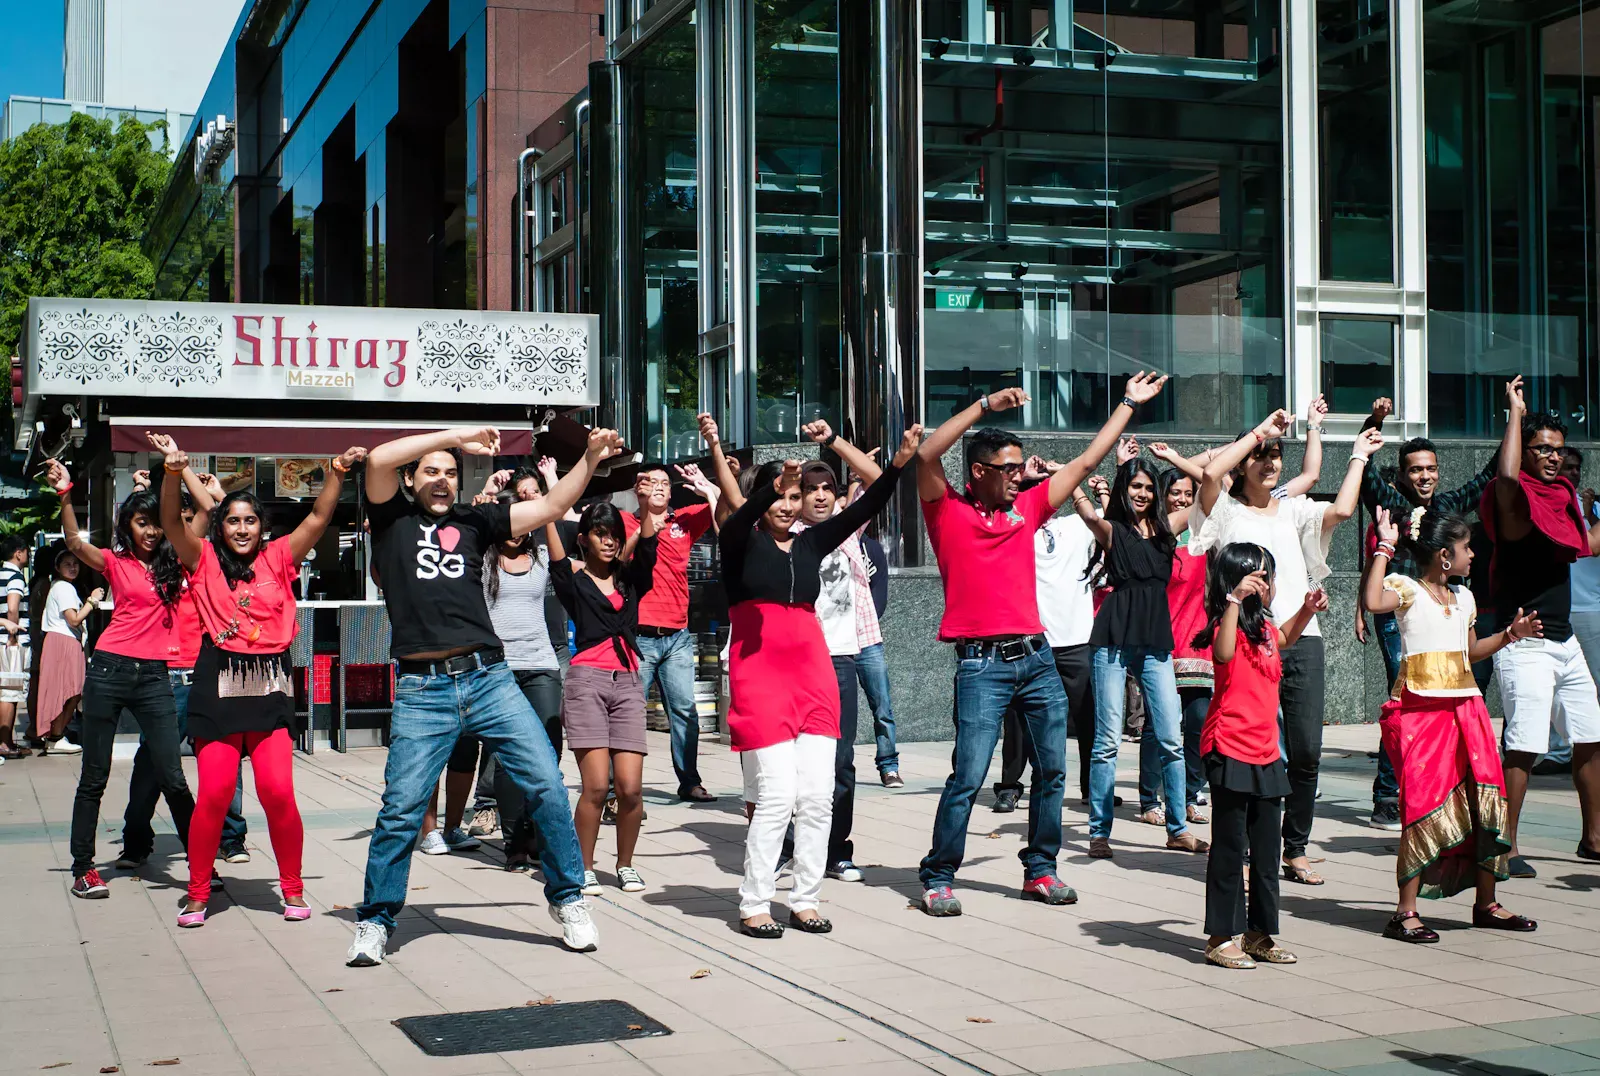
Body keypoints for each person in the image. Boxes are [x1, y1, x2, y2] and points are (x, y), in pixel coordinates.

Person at [348, 424, 621, 966]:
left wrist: (588, 459)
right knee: (401, 809)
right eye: (431, 472)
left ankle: (567, 898)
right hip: (422, 687)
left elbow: (548, 508)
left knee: (546, 782)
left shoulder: (477, 521)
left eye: (451, 472)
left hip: (489, 678)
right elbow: (378, 459)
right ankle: (375, 920)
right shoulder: (392, 518)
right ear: (410, 479)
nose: (443, 481)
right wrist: (457, 435)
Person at [916, 374, 1168, 916]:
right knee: (969, 774)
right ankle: (938, 876)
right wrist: (985, 404)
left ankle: (1041, 870)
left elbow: (1083, 463)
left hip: (1037, 658)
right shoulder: (947, 510)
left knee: (1052, 771)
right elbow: (928, 452)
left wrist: (1127, 404)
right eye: (1007, 468)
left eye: (1019, 467)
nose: (1018, 476)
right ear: (979, 471)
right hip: (981, 665)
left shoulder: (1025, 510)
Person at [703, 412, 918, 938]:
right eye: (782, 495)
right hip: (761, 681)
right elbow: (736, 519)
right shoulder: (740, 544)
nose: (788, 505)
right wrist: (770, 486)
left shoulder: (811, 543)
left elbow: (867, 504)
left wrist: (898, 465)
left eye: (795, 497)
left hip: (814, 676)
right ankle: (755, 902)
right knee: (776, 796)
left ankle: (805, 898)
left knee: (819, 796)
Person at [153, 433, 362, 927]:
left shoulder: (279, 559)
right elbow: (168, 522)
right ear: (219, 526)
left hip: (270, 685)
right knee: (215, 795)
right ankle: (199, 893)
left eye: (250, 521)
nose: (241, 528)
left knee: (278, 793)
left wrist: (335, 470)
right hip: (217, 686)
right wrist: (171, 472)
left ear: (262, 528)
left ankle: (292, 888)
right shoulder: (200, 559)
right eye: (232, 521)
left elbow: (318, 518)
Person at [1192, 411, 1383, 886]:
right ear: (1242, 462)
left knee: (1307, 751)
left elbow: (1339, 510)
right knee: (1245, 751)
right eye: (1260, 455)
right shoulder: (1222, 511)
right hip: (1246, 641)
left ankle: (1294, 845)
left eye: (1276, 454)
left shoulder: (1293, 509)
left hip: (1302, 637)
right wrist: (1258, 433)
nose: (1270, 462)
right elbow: (1212, 473)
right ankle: (1242, 839)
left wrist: (1358, 456)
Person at [1363, 506, 1539, 942]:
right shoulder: (1406, 589)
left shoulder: (1464, 597)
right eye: (1466, 548)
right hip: (1422, 713)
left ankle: (1487, 904)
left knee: (1484, 801)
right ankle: (1405, 912)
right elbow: (1370, 602)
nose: (1473, 555)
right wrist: (1384, 547)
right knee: (1421, 804)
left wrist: (1510, 635)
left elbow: (1470, 652)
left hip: (1468, 710)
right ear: (1445, 556)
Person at [47, 463, 196, 900]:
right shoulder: (116, 562)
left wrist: (181, 478)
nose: (150, 531)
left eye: (155, 523)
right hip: (109, 671)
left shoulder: (179, 563)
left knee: (173, 775)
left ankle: (200, 865)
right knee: (94, 775)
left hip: (154, 676)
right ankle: (84, 869)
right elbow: (75, 541)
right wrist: (65, 494)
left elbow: (198, 520)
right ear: (128, 525)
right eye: (140, 522)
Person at [1355, 395, 1497, 829]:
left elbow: (1489, 476)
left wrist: (1514, 418)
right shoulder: (1389, 503)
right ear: (1402, 474)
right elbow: (1363, 476)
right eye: (1416, 469)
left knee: (1434, 705)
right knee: (1402, 698)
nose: (1425, 475)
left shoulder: (1450, 507)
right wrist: (1374, 419)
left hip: (1442, 616)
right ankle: (1386, 797)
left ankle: (1428, 788)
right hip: (1396, 613)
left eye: (1431, 468)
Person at [1482, 376, 1600, 879]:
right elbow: (1506, 478)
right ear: (1525, 451)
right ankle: (1504, 847)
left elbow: (1586, 546)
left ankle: (1594, 839)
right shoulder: (1512, 499)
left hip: (1565, 639)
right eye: (1542, 449)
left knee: (1591, 735)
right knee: (1524, 746)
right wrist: (1515, 412)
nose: (1553, 458)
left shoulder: (1562, 498)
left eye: (1558, 450)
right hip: (1523, 641)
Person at [1195, 543, 1325, 970]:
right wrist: (1232, 598)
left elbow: (1284, 639)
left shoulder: (1266, 629)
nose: (1269, 585)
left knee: (1268, 851)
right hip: (1230, 748)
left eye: (1269, 577)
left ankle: (1258, 934)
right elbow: (1224, 654)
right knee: (1231, 847)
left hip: (1267, 752)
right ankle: (1219, 937)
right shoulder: (1224, 624)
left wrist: (1306, 610)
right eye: (1262, 577)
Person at [1074, 455, 1208, 858]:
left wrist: (1176, 458)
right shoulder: (1112, 530)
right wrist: (1071, 480)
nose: (1143, 494)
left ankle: (1177, 827)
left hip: (1155, 639)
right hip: (1113, 636)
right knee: (1107, 740)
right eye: (1136, 486)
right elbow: (1080, 508)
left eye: (1150, 488)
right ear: (1123, 489)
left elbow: (1209, 493)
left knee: (1170, 735)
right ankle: (1099, 833)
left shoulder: (1170, 529)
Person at [119, 470, 251, 871]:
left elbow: (222, 518)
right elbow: (135, 527)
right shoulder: (152, 561)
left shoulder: (207, 557)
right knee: (152, 762)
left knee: (225, 758)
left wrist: (216, 493)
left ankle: (230, 837)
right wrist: (141, 491)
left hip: (210, 671)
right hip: (168, 674)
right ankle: (137, 838)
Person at [788, 419, 894, 882]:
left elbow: (875, 478)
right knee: (792, 762)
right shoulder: (785, 533)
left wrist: (833, 442)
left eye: (827, 487)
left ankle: (836, 850)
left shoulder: (848, 529)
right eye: (809, 489)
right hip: (796, 660)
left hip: (842, 658)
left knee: (841, 761)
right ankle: (790, 847)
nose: (819, 495)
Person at [548, 500, 657, 894]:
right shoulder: (574, 582)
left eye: (614, 534)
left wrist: (646, 507)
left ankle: (625, 864)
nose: (609, 541)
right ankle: (585, 866)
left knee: (630, 788)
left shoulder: (630, 580)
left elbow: (648, 548)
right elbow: (557, 561)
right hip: (586, 683)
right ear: (584, 539)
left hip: (628, 682)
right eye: (600, 533)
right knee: (594, 787)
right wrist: (548, 506)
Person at [993, 456, 1100, 813]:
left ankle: (1091, 787)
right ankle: (1010, 785)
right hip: (1033, 640)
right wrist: (1023, 476)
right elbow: (988, 505)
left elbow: (1110, 517)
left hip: (1078, 639)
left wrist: (1064, 473)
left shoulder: (1075, 525)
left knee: (1088, 717)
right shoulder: (1014, 527)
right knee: (1019, 719)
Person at [622, 462, 717, 803]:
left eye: (665, 482)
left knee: (685, 710)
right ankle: (625, 786)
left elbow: (723, 506)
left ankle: (689, 781)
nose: (660, 487)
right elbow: (620, 559)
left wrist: (707, 484)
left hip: (678, 634)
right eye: (653, 482)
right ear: (639, 487)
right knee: (629, 712)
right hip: (640, 635)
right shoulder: (625, 521)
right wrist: (647, 518)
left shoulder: (684, 521)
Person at [1148, 449, 1211, 823]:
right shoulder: (1157, 536)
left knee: (1198, 725)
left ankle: (1190, 794)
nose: (1183, 499)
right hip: (1163, 643)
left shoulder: (1207, 536)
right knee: (1160, 728)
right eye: (1176, 493)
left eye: (1189, 494)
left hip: (1200, 644)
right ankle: (1148, 800)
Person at [34, 544, 99, 753]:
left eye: (75, 564)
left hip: (64, 641)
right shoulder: (64, 588)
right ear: (57, 567)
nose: (72, 568)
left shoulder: (62, 587)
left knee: (69, 690)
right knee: (69, 690)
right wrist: (92, 601)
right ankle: (56, 736)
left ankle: (56, 735)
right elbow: (74, 619)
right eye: (67, 564)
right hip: (64, 641)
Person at [0, 537, 29, 759]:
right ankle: (5, 742)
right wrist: (13, 635)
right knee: (10, 692)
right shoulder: (15, 576)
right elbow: (12, 608)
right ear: (18, 553)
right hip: (11, 642)